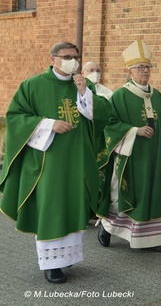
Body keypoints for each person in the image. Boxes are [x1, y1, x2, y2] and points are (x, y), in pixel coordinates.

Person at [0, 42, 111, 283]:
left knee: (73, 204)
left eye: (76, 57)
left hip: (78, 159)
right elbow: (16, 118)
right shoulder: (33, 85)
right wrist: (49, 124)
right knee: (52, 206)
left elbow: (103, 116)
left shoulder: (83, 84)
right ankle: (51, 265)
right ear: (53, 59)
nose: (73, 61)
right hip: (48, 162)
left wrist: (85, 94)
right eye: (67, 57)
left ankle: (67, 257)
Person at [96, 39, 161, 253]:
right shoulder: (120, 96)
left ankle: (150, 240)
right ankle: (107, 227)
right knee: (124, 195)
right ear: (130, 71)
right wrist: (135, 131)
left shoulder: (157, 95)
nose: (145, 71)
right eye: (140, 67)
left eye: (147, 67)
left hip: (152, 156)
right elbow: (110, 125)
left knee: (150, 193)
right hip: (131, 155)